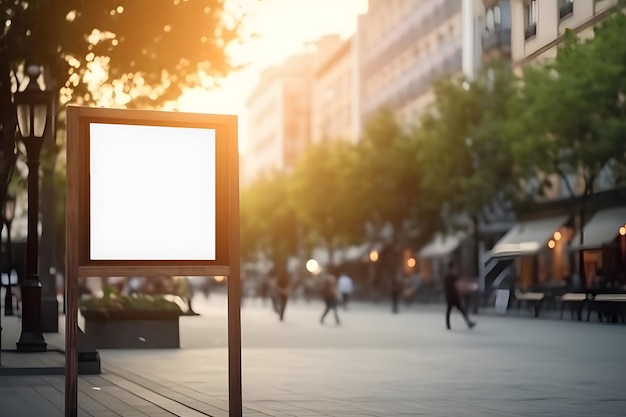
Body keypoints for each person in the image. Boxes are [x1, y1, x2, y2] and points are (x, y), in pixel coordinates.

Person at [443, 260, 476, 330]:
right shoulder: (453, 276)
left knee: (449, 310)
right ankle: (469, 322)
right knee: (461, 310)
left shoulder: (446, 276)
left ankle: (448, 325)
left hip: (448, 296)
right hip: (454, 296)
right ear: (453, 267)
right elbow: (457, 286)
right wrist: (461, 293)